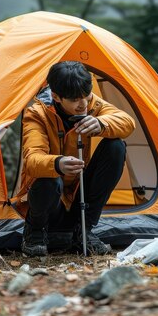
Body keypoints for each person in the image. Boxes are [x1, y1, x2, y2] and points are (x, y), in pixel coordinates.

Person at [20, 61, 135, 256]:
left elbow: (127, 123)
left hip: (80, 200)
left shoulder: (92, 105)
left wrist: (102, 123)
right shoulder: (37, 115)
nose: (82, 104)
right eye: (75, 100)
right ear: (56, 97)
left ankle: (83, 231)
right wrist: (57, 164)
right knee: (48, 175)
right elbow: (32, 160)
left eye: (86, 96)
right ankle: (35, 234)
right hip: (49, 204)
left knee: (115, 147)